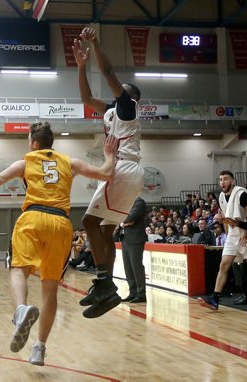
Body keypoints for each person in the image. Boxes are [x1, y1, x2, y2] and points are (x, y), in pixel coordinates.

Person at [0, 122, 118, 366]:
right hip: (61, 224)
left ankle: (21, 309)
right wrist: (109, 155)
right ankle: (39, 348)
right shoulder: (70, 162)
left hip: (32, 218)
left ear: (33, 142)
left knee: (18, 268)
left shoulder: (27, 161)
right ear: (51, 142)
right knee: (50, 288)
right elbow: (106, 174)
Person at [72, 27, 144, 319]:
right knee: (104, 230)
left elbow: (110, 72)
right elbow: (87, 99)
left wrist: (96, 44)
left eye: (122, 88)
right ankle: (107, 286)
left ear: (130, 96)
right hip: (126, 171)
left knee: (89, 222)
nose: (117, 89)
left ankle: (104, 284)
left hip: (123, 168)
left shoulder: (128, 107)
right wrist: (80, 67)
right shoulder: (112, 111)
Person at [197, 170, 247, 311]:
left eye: (225, 179)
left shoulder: (241, 194)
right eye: (220, 180)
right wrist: (227, 237)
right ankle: (215, 298)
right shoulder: (220, 197)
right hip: (233, 234)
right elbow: (226, 219)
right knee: (224, 264)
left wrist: (245, 232)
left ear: (232, 181)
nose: (222, 182)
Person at [121, 197, 148, 303]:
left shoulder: (139, 201)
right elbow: (121, 218)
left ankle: (141, 294)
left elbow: (131, 218)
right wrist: (124, 221)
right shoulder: (126, 201)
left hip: (136, 238)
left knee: (136, 266)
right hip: (125, 238)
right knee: (128, 268)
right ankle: (133, 293)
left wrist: (122, 221)